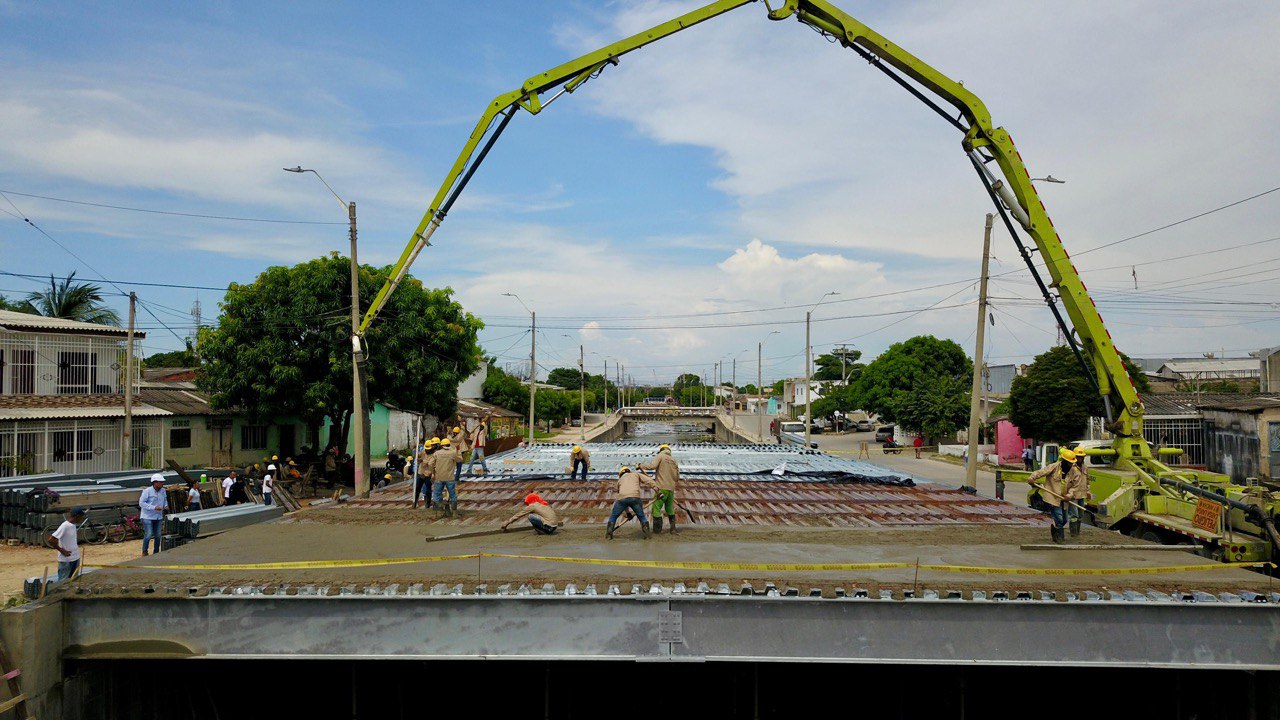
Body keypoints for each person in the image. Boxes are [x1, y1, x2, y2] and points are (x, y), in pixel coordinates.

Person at [1027, 447, 1086, 543]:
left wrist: (1069, 495)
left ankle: (1055, 530)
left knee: (1065, 520)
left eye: (1072, 463)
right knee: (1059, 518)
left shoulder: (1074, 472)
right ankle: (1059, 538)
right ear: (1064, 461)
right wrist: (1032, 478)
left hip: (1065, 499)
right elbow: (1040, 472)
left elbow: (1075, 487)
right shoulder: (1054, 467)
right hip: (1053, 497)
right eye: (1069, 463)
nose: (1071, 465)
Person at [638, 444, 680, 534]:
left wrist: (641, 465)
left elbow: (652, 466)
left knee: (656, 508)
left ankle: (657, 530)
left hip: (661, 488)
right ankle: (673, 529)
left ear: (661, 450)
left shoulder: (660, 456)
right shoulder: (674, 460)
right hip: (671, 489)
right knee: (670, 508)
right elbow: (677, 477)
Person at [605, 466, 656, 540]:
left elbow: (622, 497)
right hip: (635, 497)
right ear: (629, 471)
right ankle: (647, 534)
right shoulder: (636, 474)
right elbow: (648, 480)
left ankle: (609, 534)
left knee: (614, 515)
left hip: (622, 499)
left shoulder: (620, 480)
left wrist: (628, 513)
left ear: (621, 474)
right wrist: (655, 488)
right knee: (641, 516)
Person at [46, 507, 86, 581]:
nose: (82, 519)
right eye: (81, 517)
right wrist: (62, 550)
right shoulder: (65, 526)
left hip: (75, 558)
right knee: (63, 582)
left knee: (74, 581)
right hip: (66, 560)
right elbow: (51, 540)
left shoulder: (73, 525)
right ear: (77, 516)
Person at [432, 438, 463, 518]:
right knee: (452, 495)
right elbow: (459, 460)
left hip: (439, 477)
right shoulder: (452, 453)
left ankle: (439, 512)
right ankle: (454, 513)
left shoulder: (436, 453)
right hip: (449, 477)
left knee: (437, 495)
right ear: (449, 445)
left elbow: (431, 463)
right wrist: (458, 452)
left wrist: (433, 473)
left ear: (441, 445)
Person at [139, 473, 168, 556]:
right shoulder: (147, 491)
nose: (162, 484)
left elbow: (165, 500)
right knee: (148, 534)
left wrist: (165, 505)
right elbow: (141, 503)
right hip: (147, 516)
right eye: (161, 482)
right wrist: (153, 507)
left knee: (158, 535)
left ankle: (156, 552)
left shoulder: (163, 491)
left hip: (158, 517)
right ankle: (145, 551)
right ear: (155, 483)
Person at [414, 439, 438, 509]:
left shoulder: (434, 455)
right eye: (426, 449)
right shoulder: (423, 452)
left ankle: (427, 504)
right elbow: (417, 456)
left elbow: (429, 463)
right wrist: (416, 455)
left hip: (429, 474)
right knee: (417, 489)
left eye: (428, 449)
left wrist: (422, 461)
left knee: (428, 489)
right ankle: (415, 502)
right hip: (421, 473)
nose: (427, 450)